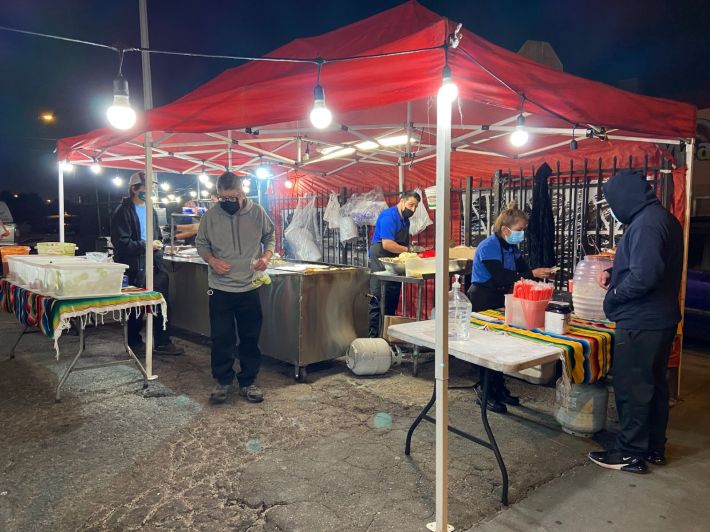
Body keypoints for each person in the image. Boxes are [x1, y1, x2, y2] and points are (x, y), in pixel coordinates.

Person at [588, 171, 683, 474]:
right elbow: (646, 263)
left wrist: (615, 294)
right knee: (653, 387)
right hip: (659, 320)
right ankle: (653, 446)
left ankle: (630, 453)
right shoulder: (661, 219)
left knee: (633, 388)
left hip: (642, 321)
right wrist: (614, 270)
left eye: (612, 202)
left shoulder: (646, 225)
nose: (613, 210)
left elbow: (645, 275)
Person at [195, 171, 275, 405]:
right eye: (223, 198)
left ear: (243, 193)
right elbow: (201, 243)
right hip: (219, 288)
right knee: (222, 337)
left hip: (249, 286)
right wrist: (211, 260)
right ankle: (223, 381)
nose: (228, 203)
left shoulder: (257, 213)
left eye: (233, 198)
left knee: (250, 337)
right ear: (218, 196)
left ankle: (249, 381)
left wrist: (267, 256)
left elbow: (270, 235)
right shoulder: (210, 216)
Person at [467, 202, 552, 413]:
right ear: (505, 229)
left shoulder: (511, 247)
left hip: (501, 298)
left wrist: (537, 273)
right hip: (483, 297)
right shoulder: (488, 247)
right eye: (519, 230)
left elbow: (523, 270)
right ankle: (484, 391)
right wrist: (532, 274)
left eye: (523, 230)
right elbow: (502, 275)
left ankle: (498, 388)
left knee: (499, 346)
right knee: (485, 346)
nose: (522, 234)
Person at [111, 171, 184, 356]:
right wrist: (146, 245)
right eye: (146, 188)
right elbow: (122, 243)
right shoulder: (122, 211)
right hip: (134, 266)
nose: (150, 191)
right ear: (134, 189)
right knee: (135, 306)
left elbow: (156, 235)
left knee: (162, 303)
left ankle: (162, 342)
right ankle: (134, 343)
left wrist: (160, 245)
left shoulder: (150, 208)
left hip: (155, 263)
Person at [368, 191, 421, 338]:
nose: (413, 209)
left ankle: (386, 338)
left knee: (392, 297)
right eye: (411, 205)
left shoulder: (406, 220)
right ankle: (374, 340)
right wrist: (409, 251)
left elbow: (401, 244)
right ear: (401, 201)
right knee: (379, 298)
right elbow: (387, 244)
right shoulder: (389, 216)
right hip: (381, 256)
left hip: (394, 261)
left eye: (416, 207)